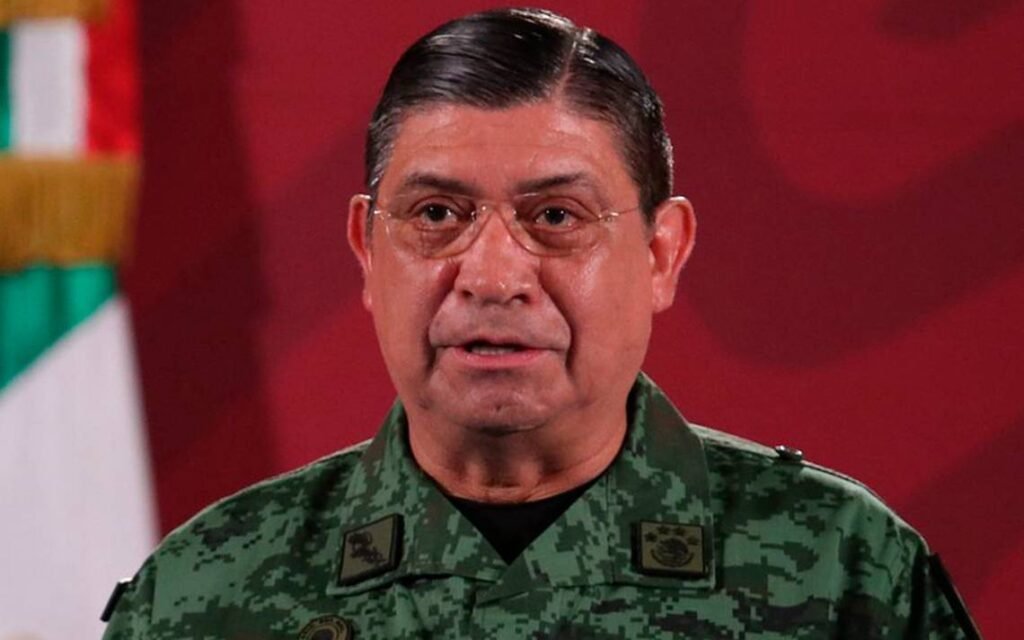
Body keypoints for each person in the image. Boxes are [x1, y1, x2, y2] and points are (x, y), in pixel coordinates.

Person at [102, 8, 980, 639]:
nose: (492, 277)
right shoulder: (205, 592)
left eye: (556, 217)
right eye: (437, 215)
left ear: (661, 253)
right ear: (367, 250)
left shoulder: (846, 572)